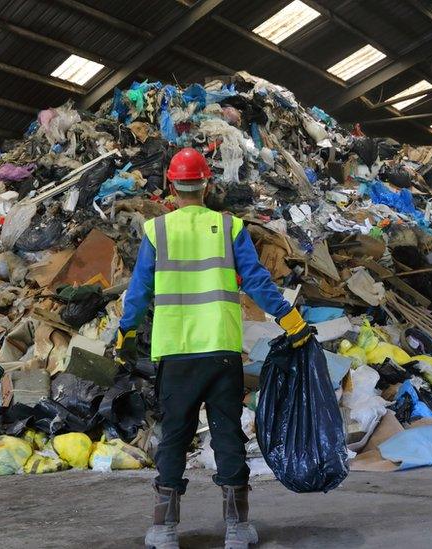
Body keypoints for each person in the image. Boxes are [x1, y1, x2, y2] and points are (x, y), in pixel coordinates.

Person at [115, 148, 313, 549]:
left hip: (175, 352)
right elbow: (257, 281)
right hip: (221, 351)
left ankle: (164, 530)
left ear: (172, 185)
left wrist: (127, 334)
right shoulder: (229, 228)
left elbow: (138, 292)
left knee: (174, 435)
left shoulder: (158, 231)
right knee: (227, 435)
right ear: (207, 184)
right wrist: (289, 320)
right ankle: (237, 529)